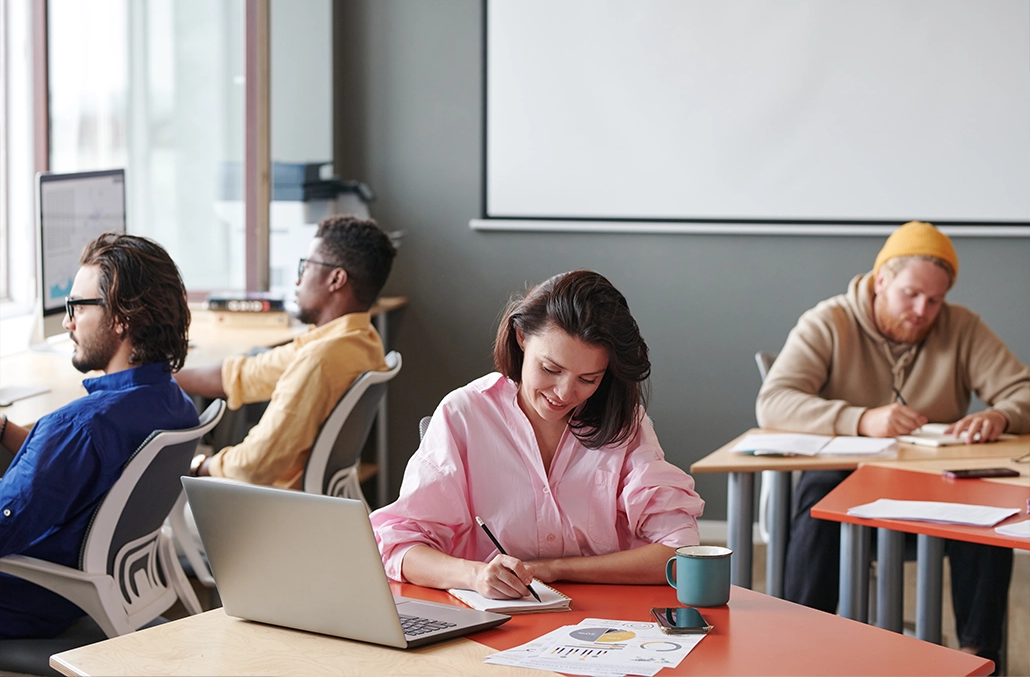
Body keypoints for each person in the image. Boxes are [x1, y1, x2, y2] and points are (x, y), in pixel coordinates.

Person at [756, 221, 1030, 666]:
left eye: (935, 300)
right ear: (881, 280)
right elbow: (774, 402)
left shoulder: (961, 328)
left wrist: (1000, 414)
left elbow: (1024, 390)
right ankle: (799, 645)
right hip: (846, 481)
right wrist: (860, 419)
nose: (923, 309)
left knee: (989, 502)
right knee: (818, 491)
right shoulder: (829, 320)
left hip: (934, 484)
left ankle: (979, 656)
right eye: (911, 294)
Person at [371, 270, 704, 600]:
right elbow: (398, 544)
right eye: (551, 369)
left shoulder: (624, 423)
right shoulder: (464, 414)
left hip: (603, 624)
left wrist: (556, 568)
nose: (564, 392)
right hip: (493, 622)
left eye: (588, 379)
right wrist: (475, 576)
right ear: (521, 337)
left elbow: (680, 553)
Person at [0, 233, 200, 639]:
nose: (68, 321)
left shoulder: (81, 427)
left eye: (77, 307)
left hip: (26, 602)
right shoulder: (173, 403)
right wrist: (5, 430)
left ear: (121, 317)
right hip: (94, 589)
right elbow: (76, 473)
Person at [175, 215, 396, 488]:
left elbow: (253, 467)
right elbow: (246, 374)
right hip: (304, 502)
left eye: (306, 267)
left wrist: (198, 465)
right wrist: (165, 375)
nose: (296, 280)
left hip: (270, 505)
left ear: (336, 279)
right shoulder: (361, 339)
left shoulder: (319, 361)